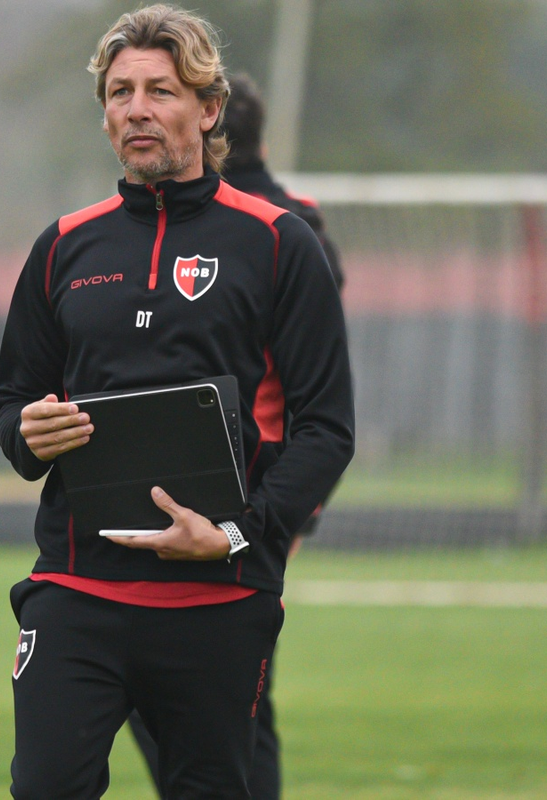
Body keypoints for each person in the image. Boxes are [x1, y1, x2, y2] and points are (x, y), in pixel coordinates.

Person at [0, 6, 354, 798]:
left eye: (161, 90)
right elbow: (14, 398)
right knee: (45, 786)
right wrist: (28, 432)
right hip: (77, 590)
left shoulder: (278, 243)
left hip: (217, 601)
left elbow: (327, 428)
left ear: (209, 108)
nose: (137, 109)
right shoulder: (62, 245)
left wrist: (235, 534)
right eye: (120, 92)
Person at [124, 72, 347, 799]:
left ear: (210, 122)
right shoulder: (299, 218)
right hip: (284, 479)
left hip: (236, 474)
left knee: (200, 672)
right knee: (235, 672)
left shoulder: (255, 227)